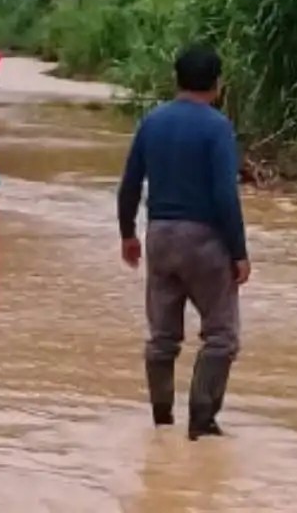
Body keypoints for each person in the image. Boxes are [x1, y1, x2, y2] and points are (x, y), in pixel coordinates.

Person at [117, 45, 249, 440]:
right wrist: (239, 252)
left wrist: (127, 233)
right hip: (205, 238)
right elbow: (225, 193)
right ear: (217, 83)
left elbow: (129, 185)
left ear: (176, 79)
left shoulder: (152, 122)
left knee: (162, 337)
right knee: (221, 336)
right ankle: (202, 420)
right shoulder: (217, 127)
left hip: (159, 234)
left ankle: (162, 420)